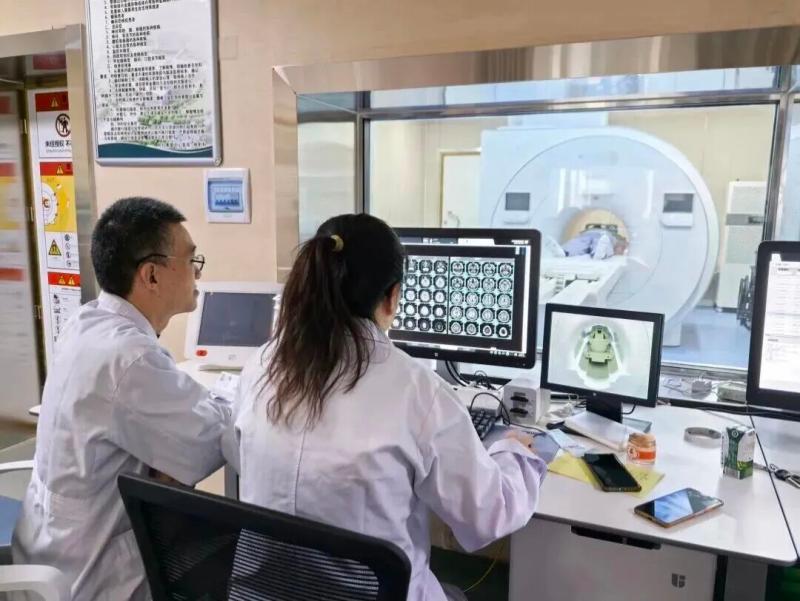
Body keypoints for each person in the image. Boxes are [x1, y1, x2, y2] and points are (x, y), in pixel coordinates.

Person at [225, 213, 546, 601]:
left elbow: (243, 455)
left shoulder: (261, 365)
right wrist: (514, 453)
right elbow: (489, 515)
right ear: (392, 297)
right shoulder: (417, 391)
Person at [13, 197, 231, 600]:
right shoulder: (130, 358)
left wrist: (168, 452)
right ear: (151, 275)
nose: (197, 272)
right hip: (92, 576)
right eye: (191, 261)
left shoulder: (86, 322)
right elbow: (205, 446)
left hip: (46, 548)